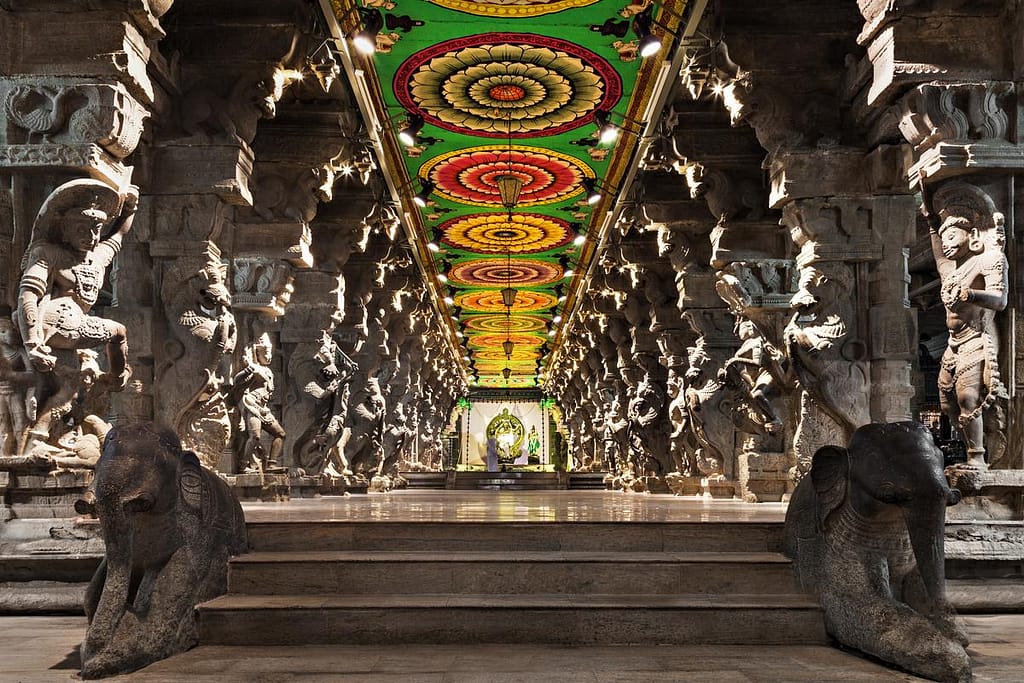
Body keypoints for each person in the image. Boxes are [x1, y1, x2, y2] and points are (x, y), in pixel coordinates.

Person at [16, 179, 136, 449]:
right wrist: (32, 343)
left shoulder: (96, 258)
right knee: (118, 332)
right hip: (56, 324)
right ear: (64, 230)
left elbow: (118, 237)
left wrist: (130, 208)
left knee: (71, 387)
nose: (91, 236)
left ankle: (42, 437)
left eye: (96, 230)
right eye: (82, 229)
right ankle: (117, 377)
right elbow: (29, 295)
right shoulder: (47, 253)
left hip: (73, 329)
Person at [929, 182, 1009, 469]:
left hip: (976, 336)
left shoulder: (989, 259)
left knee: (968, 398)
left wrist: (972, 295)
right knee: (946, 401)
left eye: (952, 235)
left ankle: (977, 458)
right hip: (953, 343)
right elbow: (938, 253)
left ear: (972, 235)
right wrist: (930, 218)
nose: (946, 242)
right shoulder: (952, 270)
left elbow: (1000, 300)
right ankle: (969, 449)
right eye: (944, 237)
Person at [232, 333, 286, 472]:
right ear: (257, 353)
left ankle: (272, 464)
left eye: (270, 353)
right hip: (252, 406)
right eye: (265, 353)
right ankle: (243, 465)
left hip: (264, 408)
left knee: (280, 434)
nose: (269, 356)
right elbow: (237, 381)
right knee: (255, 436)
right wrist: (247, 371)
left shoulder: (267, 370)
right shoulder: (254, 368)